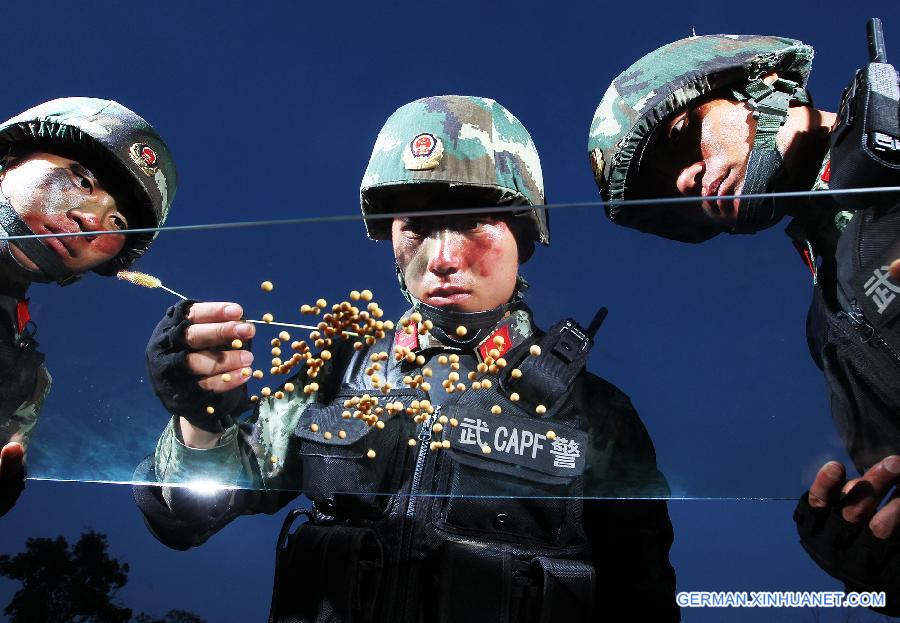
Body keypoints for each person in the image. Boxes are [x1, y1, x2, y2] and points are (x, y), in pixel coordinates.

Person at [135, 95, 679, 622]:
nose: (442, 258)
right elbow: (186, 520)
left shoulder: (596, 415)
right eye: (414, 226)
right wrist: (200, 420)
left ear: (525, 233)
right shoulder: (337, 372)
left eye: (473, 222)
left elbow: (642, 598)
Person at [587, 31, 900, 611]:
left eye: (679, 139)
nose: (682, 181)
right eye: (663, 195)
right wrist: (880, 564)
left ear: (765, 86)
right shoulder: (828, 317)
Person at [0, 97, 178, 516]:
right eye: (83, 182)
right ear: (9, 159)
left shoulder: (24, 379)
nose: (93, 220)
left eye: (119, 223)